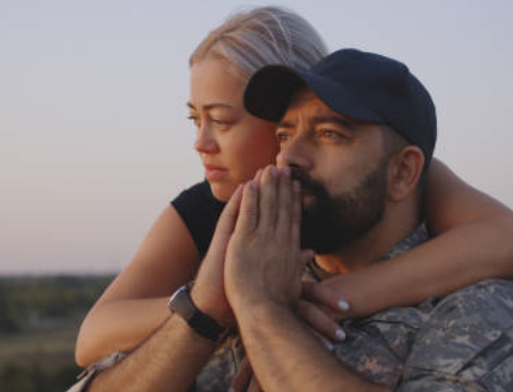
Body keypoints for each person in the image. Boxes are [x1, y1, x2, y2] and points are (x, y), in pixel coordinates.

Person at [75, 6, 513, 370]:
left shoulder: (402, 177)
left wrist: (329, 299)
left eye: (222, 121)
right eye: (195, 119)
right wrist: (228, 299)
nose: (201, 143)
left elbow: (502, 237)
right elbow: (94, 335)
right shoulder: (208, 205)